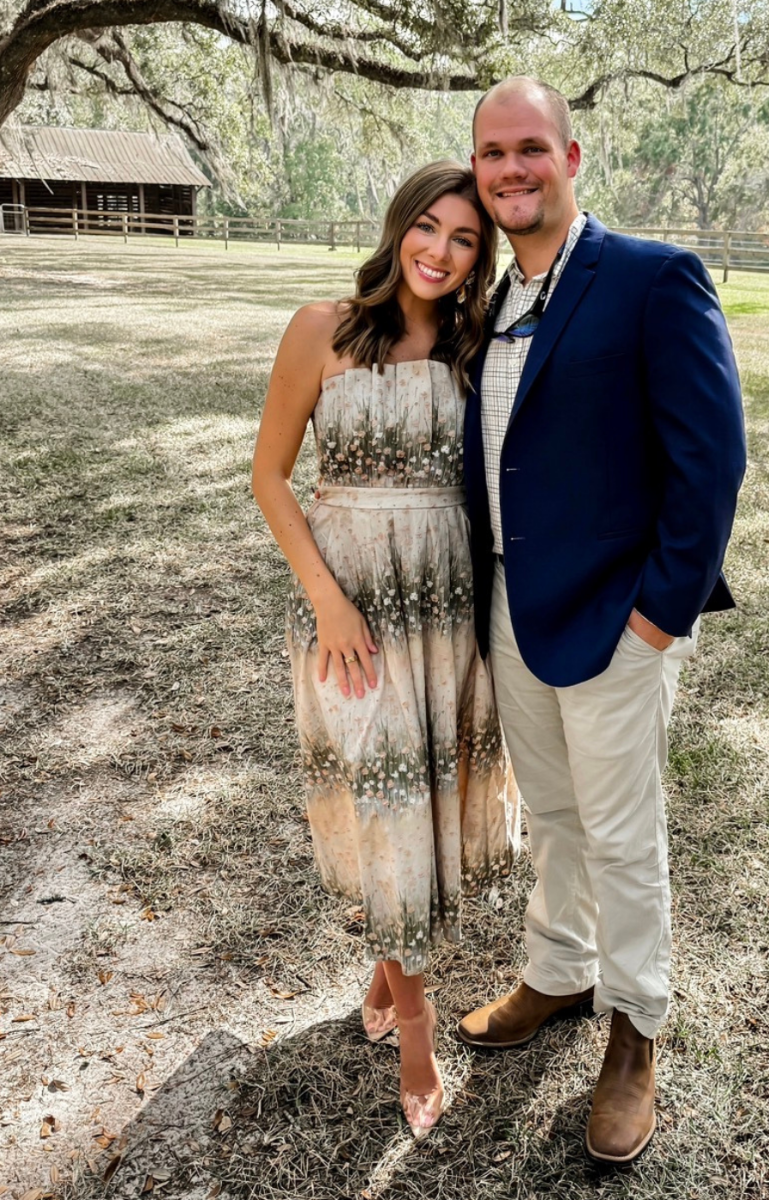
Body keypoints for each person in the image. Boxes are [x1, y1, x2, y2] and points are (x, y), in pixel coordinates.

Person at [457, 78, 747, 1164]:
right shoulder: (494, 298)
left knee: (625, 835)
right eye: (493, 154)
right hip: (511, 605)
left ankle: (636, 1032)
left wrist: (659, 621)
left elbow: (713, 460)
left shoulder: (651, 278)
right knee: (557, 816)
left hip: (617, 622)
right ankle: (559, 970)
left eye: (532, 149)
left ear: (573, 159)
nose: (511, 170)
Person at [252, 161, 520, 1140]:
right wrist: (327, 601)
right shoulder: (320, 327)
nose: (441, 254)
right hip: (351, 610)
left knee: (422, 816)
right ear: (398, 224)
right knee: (386, 809)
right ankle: (414, 1032)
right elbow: (271, 476)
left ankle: (385, 967)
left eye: (464, 241)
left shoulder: (474, 345)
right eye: (429, 229)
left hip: (445, 610)